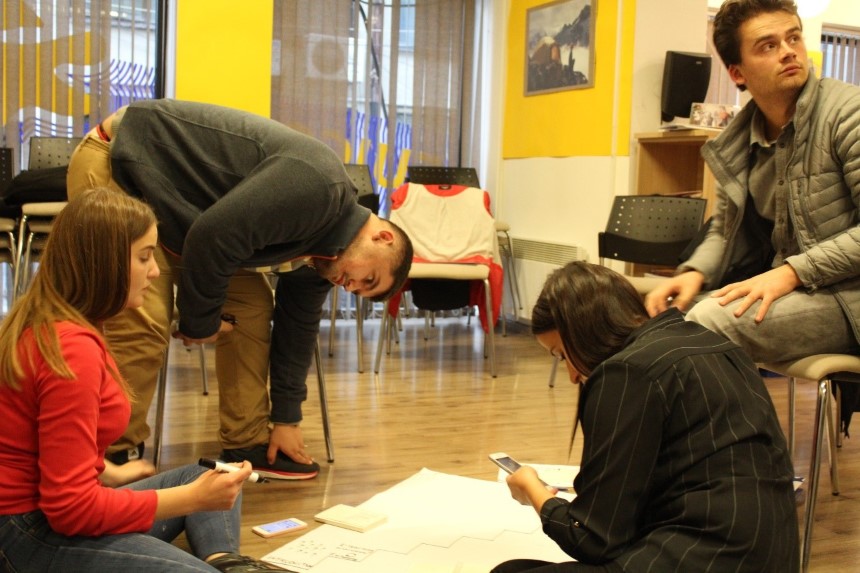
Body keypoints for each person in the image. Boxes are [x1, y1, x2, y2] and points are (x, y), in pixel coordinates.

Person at [66, 99, 413, 479]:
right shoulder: (320, 189)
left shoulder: (325, 259)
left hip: (180, 210)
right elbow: (212, 238)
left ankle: (246, 442)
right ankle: (111, 452)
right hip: (123, 162)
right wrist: (201, 323)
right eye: (368, 278)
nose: (350, 286)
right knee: (142, 316)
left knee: (251, 308)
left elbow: (296, 331)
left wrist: (287, 419)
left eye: (359, 291)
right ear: (382, 237)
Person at [0, 189, 283, 572]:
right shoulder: (72, 348)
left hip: (37, 516)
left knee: (207, 474)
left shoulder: (59, 322)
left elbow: (45, 441)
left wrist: (108, 470)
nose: (154, 272)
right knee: (199, 489)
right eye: (145, 256)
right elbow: (70, 511)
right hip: (27, 533)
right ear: (105, 262)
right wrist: (192, 499)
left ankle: (226, 561)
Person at [492, 262, 799, 573]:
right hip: (770, 557)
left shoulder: (626, 372)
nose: (572, 376)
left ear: (584, 331)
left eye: (561, 354)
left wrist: (534, 491)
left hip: (705, 556)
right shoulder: (718, 345)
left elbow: (593, 539)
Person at [645, 0, 860, 364]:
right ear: (737, 73)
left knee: (708, 323)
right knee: (659, 323)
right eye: (768, 46)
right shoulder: (739, 140)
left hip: (849, 297)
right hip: (801, 290)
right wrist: (695, 272)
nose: (789, 51)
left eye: (793, 37)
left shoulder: (849, 113)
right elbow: (725, 229)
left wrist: (792, 272)